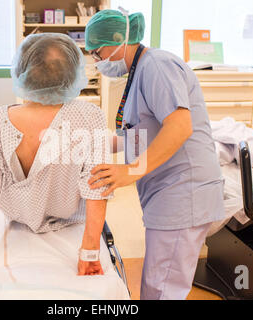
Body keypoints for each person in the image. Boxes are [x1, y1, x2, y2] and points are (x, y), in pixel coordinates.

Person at [86, 9, 225, 300]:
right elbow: (136, 134)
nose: (97, 62)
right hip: (168, 192)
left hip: (183, 192)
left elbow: (179, 127)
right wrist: (81, 141)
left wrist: (130, 171)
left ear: (117, 40)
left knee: (162, 289)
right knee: (158, 283)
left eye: (97, 53)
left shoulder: (157, 66)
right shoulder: (139, 72)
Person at [0, 33, 112, 278]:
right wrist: (90, 251)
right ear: (74, 74)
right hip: (68, 216)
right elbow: (96, 186)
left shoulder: (0, 119)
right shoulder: (89, 116)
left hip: (18, 215)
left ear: (23, 73)